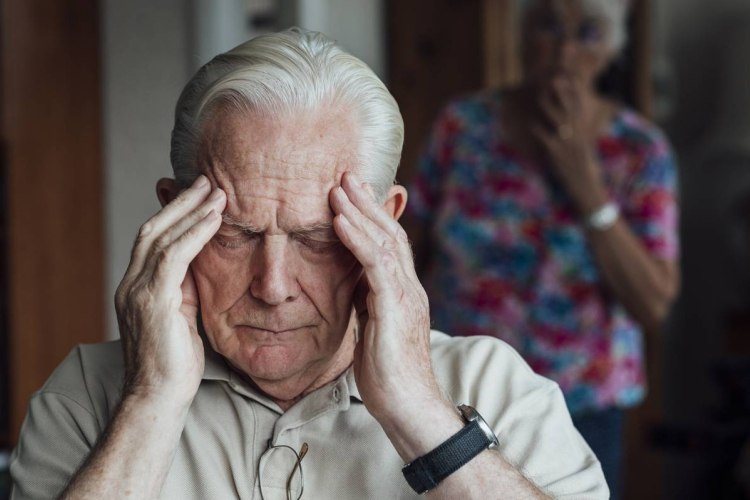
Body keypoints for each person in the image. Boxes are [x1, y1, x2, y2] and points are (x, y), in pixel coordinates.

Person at [9, 28, 607, 500]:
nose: (273, 288)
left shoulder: (496, 387)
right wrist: (150, 403)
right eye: (236, 234)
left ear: (386, 225)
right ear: (173, 219)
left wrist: (419, 411)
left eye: (317, 240)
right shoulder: (87, 395)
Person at [405, 1, 679, 498]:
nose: (565, 49)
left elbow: (654, 302)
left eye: (589, 33)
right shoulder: (462, 127)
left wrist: (586, 185)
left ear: (613, 50)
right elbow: (406, 251)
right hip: (458, 392)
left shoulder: (640, 150)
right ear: (521, 35)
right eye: (548, 25)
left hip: (584, 406)